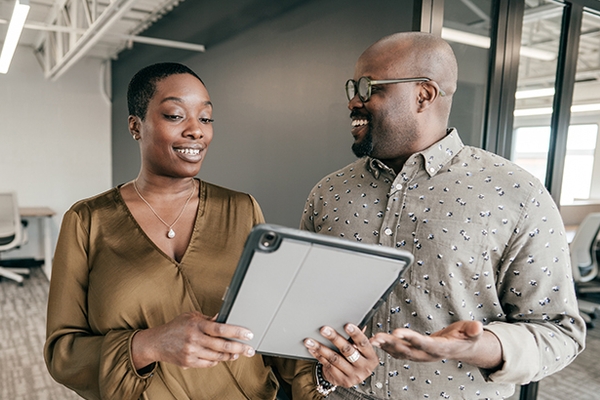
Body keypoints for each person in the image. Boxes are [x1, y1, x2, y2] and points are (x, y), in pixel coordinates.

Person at [295, 32, 586, 400]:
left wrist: (474, 348)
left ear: (424, 95)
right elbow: (303, 312)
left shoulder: (517, 195)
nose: (354, 100)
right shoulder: (329, 194)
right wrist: (325, 372)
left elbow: (558, 332)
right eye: (353, 87)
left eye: (369, 87)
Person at [44, 62, 297, 400]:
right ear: (136, 126)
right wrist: (150, 344)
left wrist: (324, 370)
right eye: (175, 115)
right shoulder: (88, 220)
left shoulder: (241, 209)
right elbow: (63, 352)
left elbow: (275, 323)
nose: (196, 131)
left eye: (205, 118)